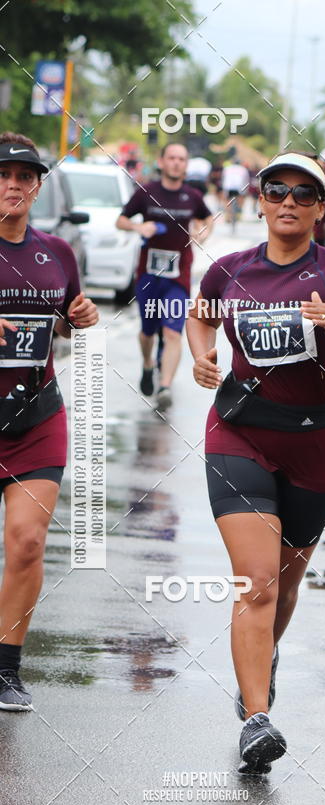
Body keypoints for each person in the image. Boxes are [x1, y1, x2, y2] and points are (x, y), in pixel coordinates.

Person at [186, 151, 325, 774]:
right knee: (256, 580)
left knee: (286, 579)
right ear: (259, 199)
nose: (288, 201)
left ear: (320, 209)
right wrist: (201, 356)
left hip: (315, 444)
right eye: (276, 190)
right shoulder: (228, 271)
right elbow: (199, 322)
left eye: (303, 194)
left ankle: (263, 659)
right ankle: (257, 720)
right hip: (239, 436)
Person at [0, 132, 98, 710]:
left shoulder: (57, 252)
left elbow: (68, 317)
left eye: (24, 177)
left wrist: (79, 317)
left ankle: (6, 667)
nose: (13, 185)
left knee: (29, 542)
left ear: (38, 187)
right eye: (4, 174)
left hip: (35, 415)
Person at [116, 142, 213, 412]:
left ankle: (165, 386)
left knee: (173, 332)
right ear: (161, 161)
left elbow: (208, 219)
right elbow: (121, 220)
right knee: (148, 332)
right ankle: (148, 364)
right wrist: (139, 226)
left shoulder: (192, 196)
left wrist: (203, 233)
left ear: (185, 165)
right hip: (148, 276)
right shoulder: (146, 193)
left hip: (177, 279)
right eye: (171, 158)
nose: (176, 163)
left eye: (181, 159)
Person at [221, 158, 250, 222]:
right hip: (239, 187)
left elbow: (223, 178)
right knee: (241, 198)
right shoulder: (243, 169)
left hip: (228, 186)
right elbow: (246, 180)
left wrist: (223, 190)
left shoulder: (227, 168)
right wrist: (246, 191)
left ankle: (228, 216)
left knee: (227, 201)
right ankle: (239, 212)